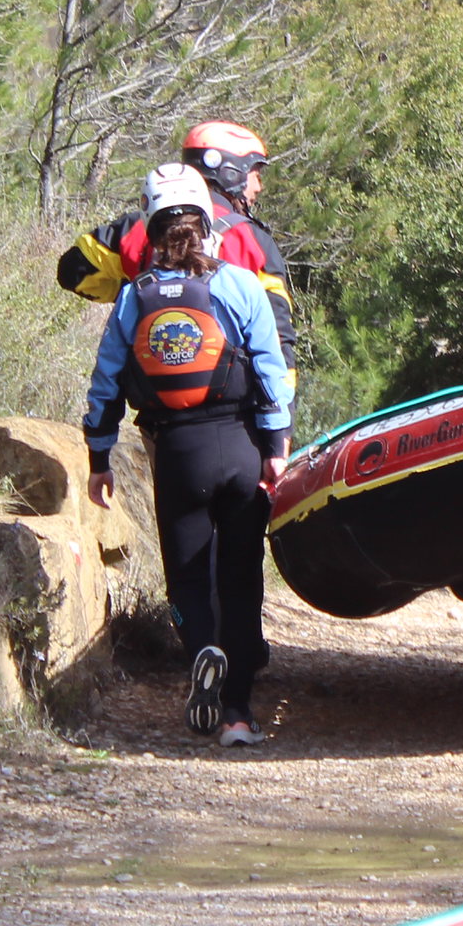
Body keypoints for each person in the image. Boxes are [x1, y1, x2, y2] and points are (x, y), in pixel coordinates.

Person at [83, 164, 297, 747]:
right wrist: (276, 447)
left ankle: (201, 646)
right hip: (241, 447)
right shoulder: (240, 285)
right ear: (206, 223)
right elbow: (272, 374)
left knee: (189, 579)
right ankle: (237, 714)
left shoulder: (134, 297)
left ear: (152, 227)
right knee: (240, 577)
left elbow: (105, 384)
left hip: (178, 452)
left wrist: (99, 457)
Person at [60, 120, 299, 361]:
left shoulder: (138, 227)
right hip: (233, 392)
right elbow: (278, 333)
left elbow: (73, 271)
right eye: (255, 174)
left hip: (153, 391)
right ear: (230, 173)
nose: (259, 186)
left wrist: (137, 291)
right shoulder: (252, 239)